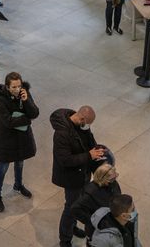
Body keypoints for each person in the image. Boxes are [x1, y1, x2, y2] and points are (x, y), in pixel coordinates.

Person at [51, 106, 105, 247]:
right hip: (71, 178)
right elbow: (65, 160)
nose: (87, 127)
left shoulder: (81, 125)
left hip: (83, 173)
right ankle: (65, 239)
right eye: (87, 124)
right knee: (70, 208)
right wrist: (89, 155)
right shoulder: (61, 133)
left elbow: (90, 144)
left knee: (78, 204)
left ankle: (72, 227)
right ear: (81, 118)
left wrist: (88, 134)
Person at [0, 72, 39, 212]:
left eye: (19, 86)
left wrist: (26, 101)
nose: (17, 89)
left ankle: (18, 185)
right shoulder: (0, 100)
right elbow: (8, 122)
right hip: (7, 139)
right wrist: (26, 119)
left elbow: (35, 113)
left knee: (20, 162)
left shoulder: (25, 94)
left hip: (22, 138)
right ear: (7, 86)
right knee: (3, 167)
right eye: (13, 87)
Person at [72, 163, 123, 242]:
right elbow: (75, 209)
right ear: (103, 178)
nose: (114, 179)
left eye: (116, 175)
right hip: (97, 231)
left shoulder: (113, 183)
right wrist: (94, 221)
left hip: (112, 225)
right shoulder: (90, 193)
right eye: (112, 179)